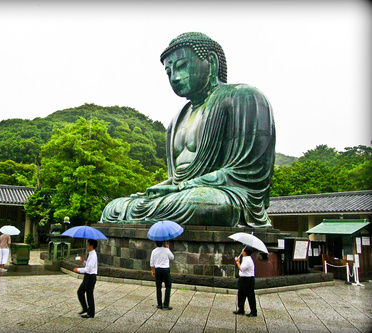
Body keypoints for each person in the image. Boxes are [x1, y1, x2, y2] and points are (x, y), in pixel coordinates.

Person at [101, 32, 275, 228]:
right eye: (169, 72)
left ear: (211, 61)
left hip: (225, 196)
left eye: (182, 66)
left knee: (196, 203)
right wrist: (162, 189)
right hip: (181, 195)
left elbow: (249, 174)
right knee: (114, 208)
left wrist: (184, 187)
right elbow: (175, 178)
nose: (174, 78)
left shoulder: (243, 97)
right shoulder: (176, 120)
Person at [73, 239, 98, 318]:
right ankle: (85, 308)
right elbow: (88, 265)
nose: (87, 246)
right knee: (80, 292)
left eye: (88, 245)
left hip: (91, 276)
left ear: (91, 246)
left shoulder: (93, 255)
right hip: (87, 276)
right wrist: (84, 262)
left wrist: (78, 270)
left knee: (89, 295)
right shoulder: (90, 254)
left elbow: (88, 269)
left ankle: (91, 313)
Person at [150, 240, 174, 310]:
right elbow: (172, 257)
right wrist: (168, 248)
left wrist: (152, 271)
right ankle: (166, 304)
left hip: (157, 269)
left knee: (158, 287)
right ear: (163, 243)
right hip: (166, 269)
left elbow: (152, 263)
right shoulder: (166, 250)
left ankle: (159, 304)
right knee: (168, 286)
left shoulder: (154, 251)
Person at [234, 246, 257, 317]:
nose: (242, 251)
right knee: (241, 294)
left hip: (248, 279)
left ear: (245, 252)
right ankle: (241, 309)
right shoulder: (245, 259)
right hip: (243, 278)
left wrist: (237, 262)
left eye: (243, 250)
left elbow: (242, 268)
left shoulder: (248, 260)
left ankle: (253, 311)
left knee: (250, 296)